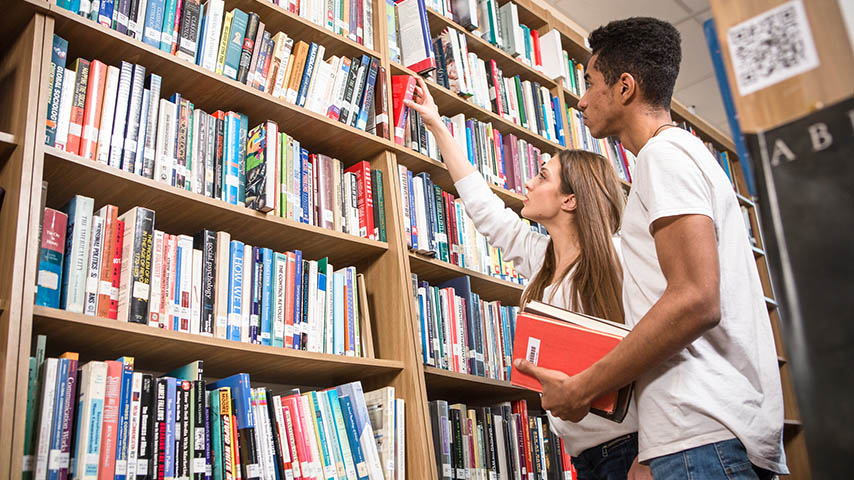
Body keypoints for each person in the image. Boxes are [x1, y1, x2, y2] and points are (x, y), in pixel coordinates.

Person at [513, 17, 789, 480]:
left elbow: (695, 300)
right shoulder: (683, 156)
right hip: (699, 435)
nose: (580, 100)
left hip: (701, 438)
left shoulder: (663, 157)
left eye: (589, 83)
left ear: (625, 87)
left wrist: (583, 388)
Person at [404, 77, 651, 479]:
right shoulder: (543, 257)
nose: (529, 183)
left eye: (542, 176)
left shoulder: (621, 258)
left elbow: (657, 353)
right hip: (584, 456)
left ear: (570, 200)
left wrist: (653, 452)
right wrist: (435, 124)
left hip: (631, 450)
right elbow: (483, 207)